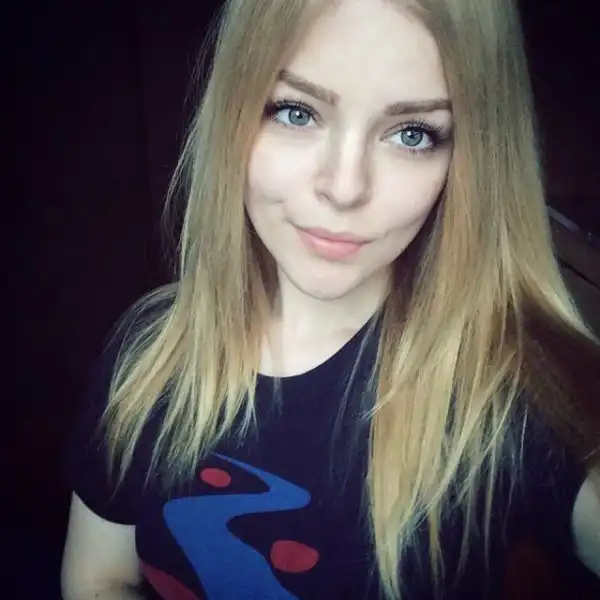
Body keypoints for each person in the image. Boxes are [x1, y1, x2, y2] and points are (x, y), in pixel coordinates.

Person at [60, 0, 600, 599]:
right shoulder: (149, 350)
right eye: (296, 112)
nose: (344, 189)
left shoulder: (512, 395)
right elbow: (97, 577)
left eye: (412, 134)